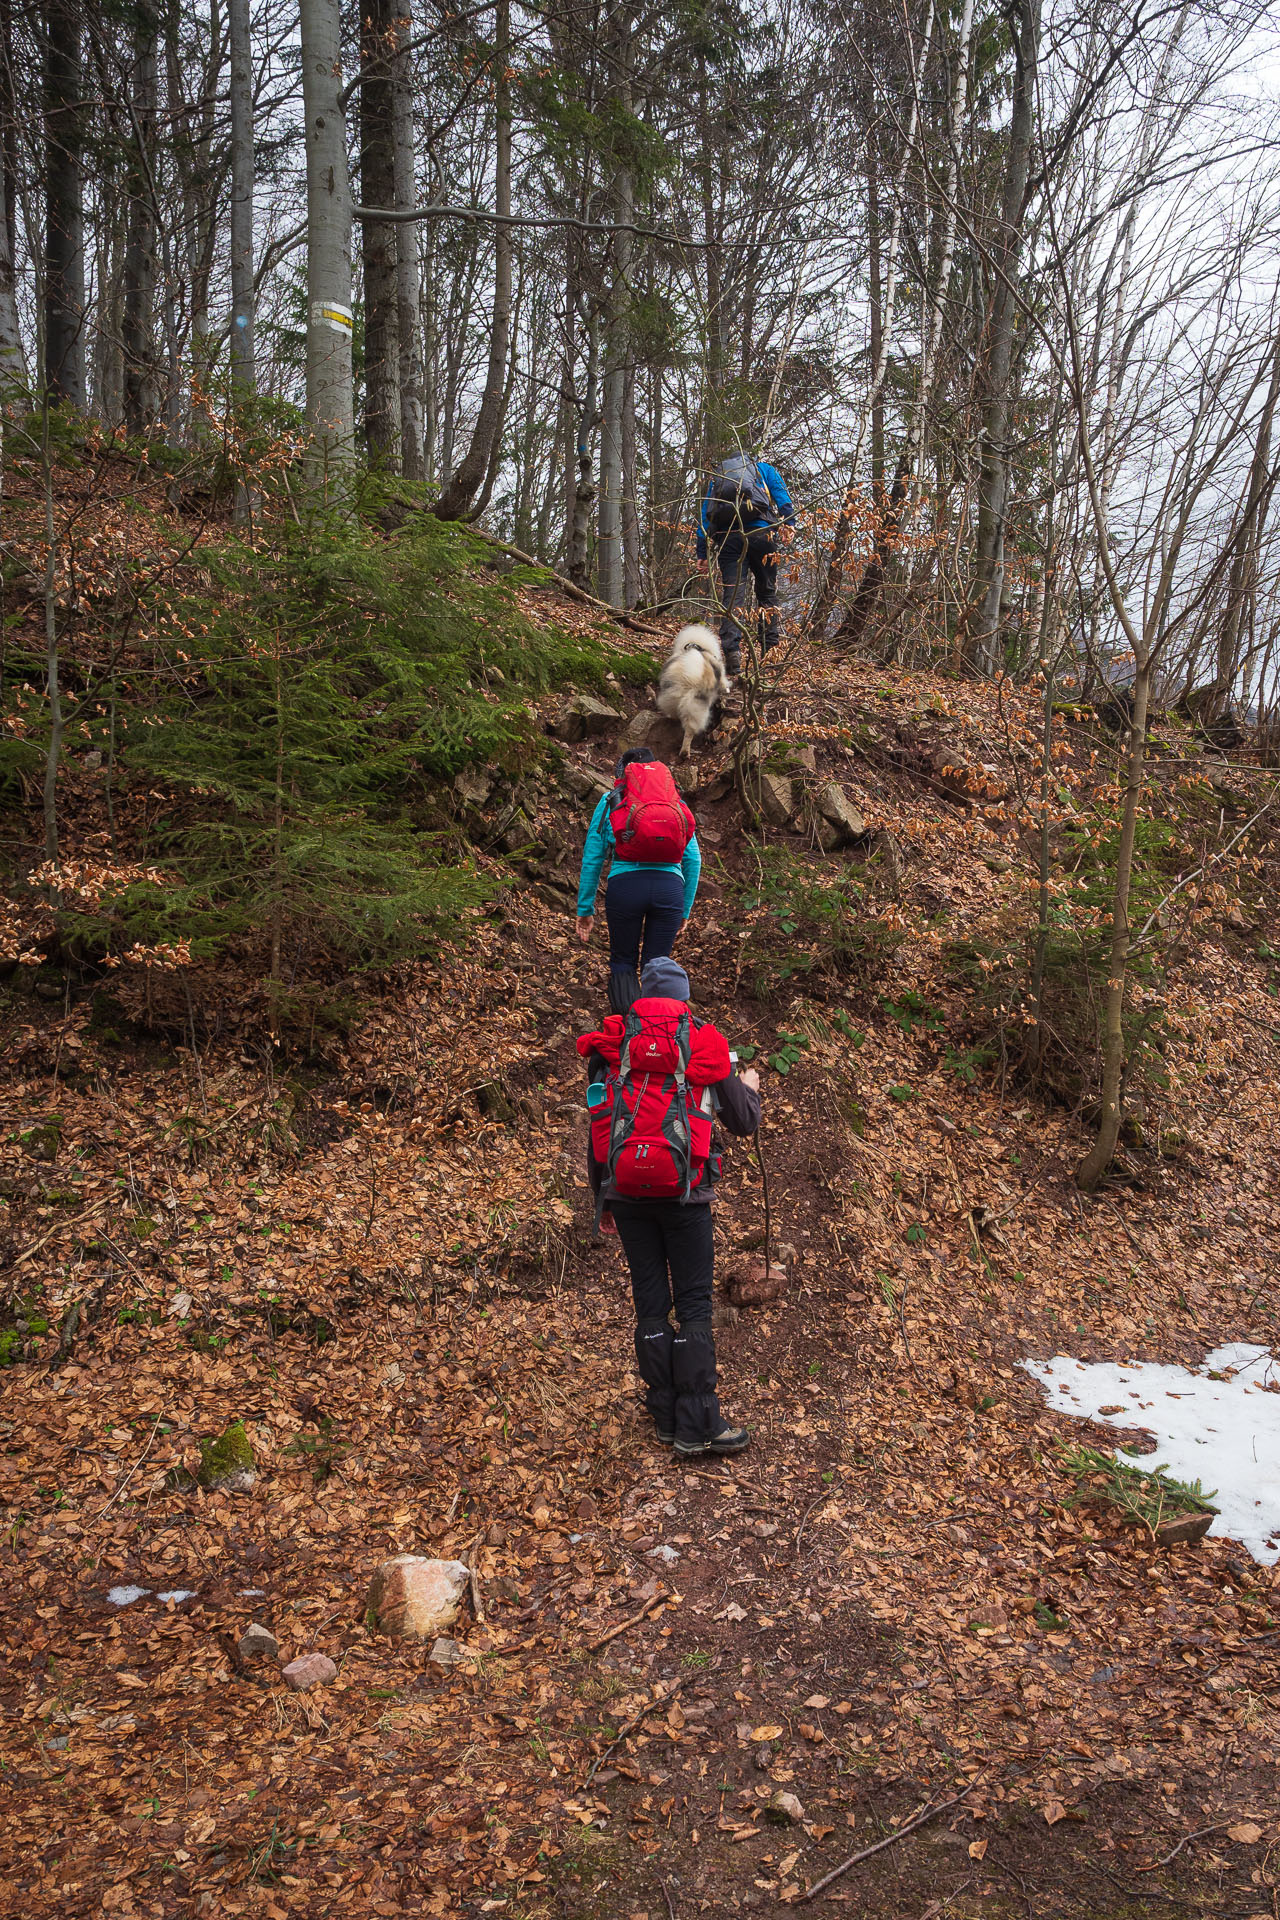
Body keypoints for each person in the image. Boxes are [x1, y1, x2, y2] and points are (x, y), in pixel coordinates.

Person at [577, 956, 761, 1457]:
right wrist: (748, 1090)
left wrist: (604, 1196)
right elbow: (744, 1122)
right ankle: (698, 1424)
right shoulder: (701, 1041)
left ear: (641, 999)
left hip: (627, 1190)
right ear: (682, 998)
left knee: (650, 1302)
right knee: (695, 1303)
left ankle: (664, 1416)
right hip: (686, 1192)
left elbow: (599, 1123)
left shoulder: (614, 1041)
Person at [576, 749, 702, 1014]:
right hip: (670, 890)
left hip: (626, 887)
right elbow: (693, 859)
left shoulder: (610, 799)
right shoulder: (675, 802)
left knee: (623, 960)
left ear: (624, 771)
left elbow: (593, 855)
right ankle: (659, 1040)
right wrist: (685, 909)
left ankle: (626, 1034)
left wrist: (585, 908)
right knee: (657, 966)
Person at [695, 451, 796, 674]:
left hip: (729, 537)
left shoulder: (720, 477)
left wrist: (701, 551)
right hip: (762, 534)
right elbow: (782, 495)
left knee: (733, 597)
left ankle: (732, 655)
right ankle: (770, 655)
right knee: (767, 593)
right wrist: (789, 523)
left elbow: (706, 514)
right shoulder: (763, 469)